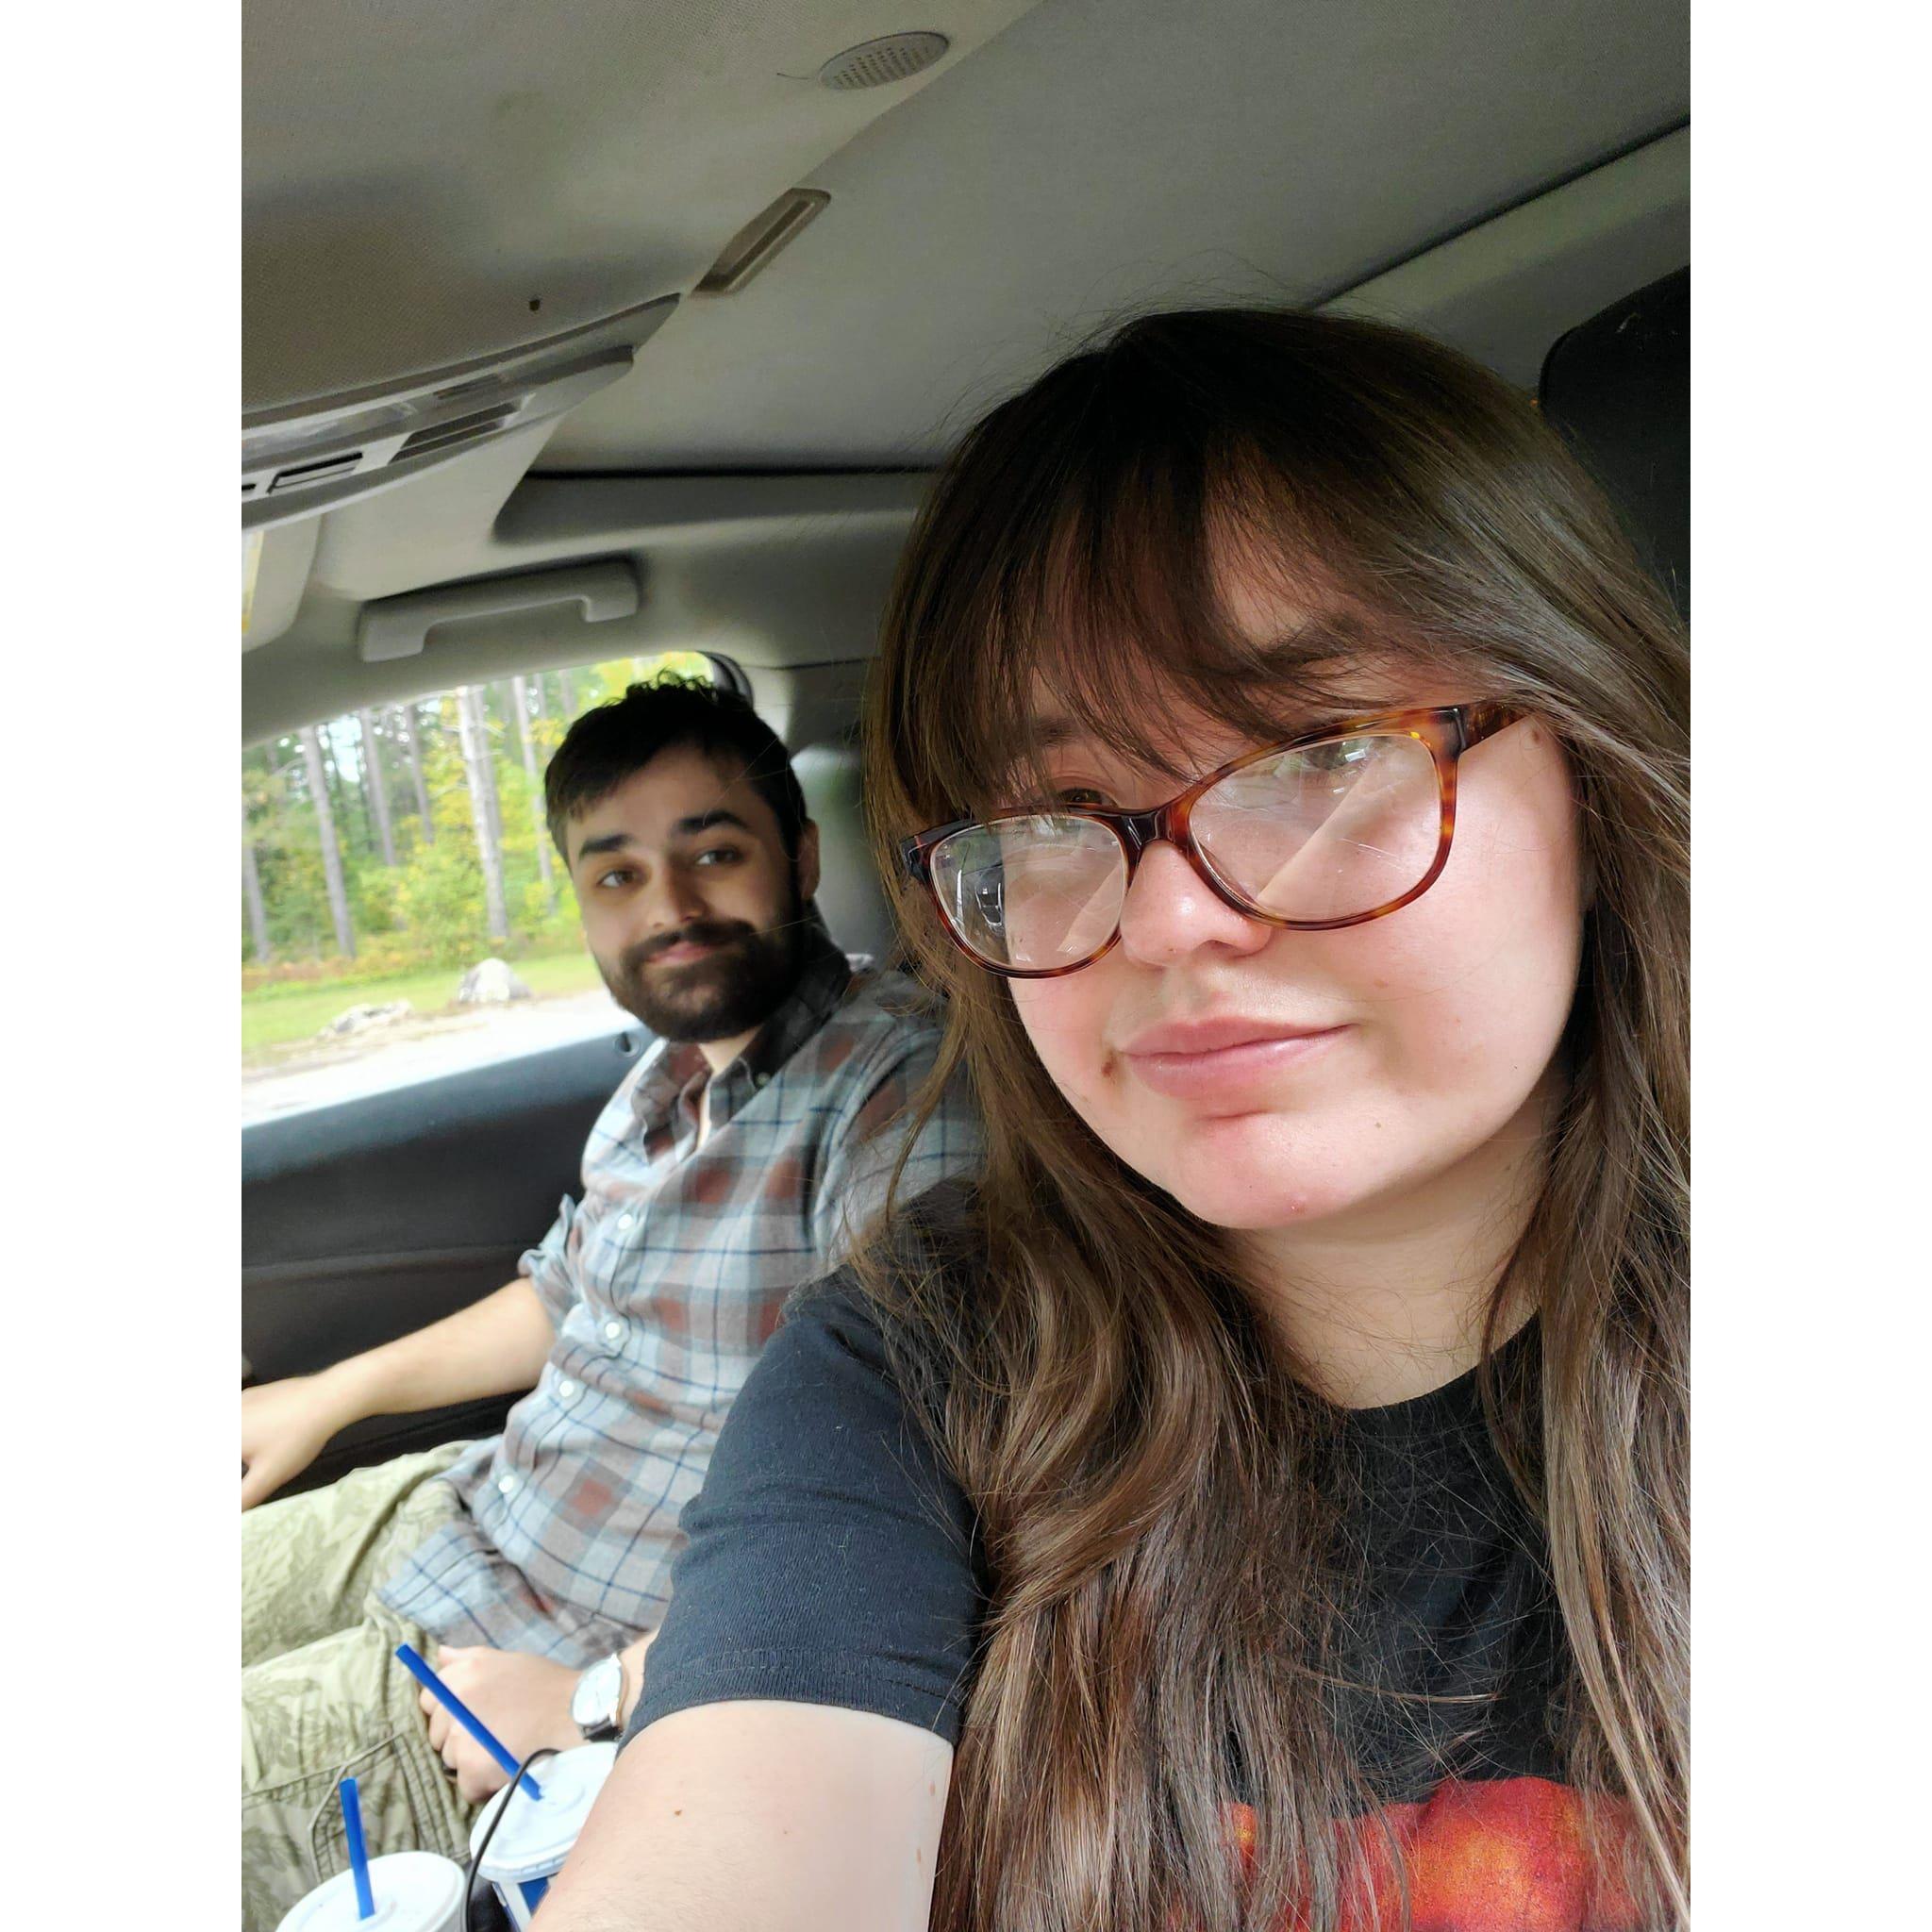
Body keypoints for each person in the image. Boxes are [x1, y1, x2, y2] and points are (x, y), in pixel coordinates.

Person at [541, 308, 1689, 1932]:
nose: (1168, 920)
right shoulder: (918, 1369)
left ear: (1595, 764)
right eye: (1050, 818)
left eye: (1317, 757)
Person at [239, 678, 980, 1932]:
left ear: (801, 859)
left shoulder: (901, 1096)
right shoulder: (664, 1079)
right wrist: (327, 1396)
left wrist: (597, 1698)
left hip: (528, 1664)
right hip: (465, 1505)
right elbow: (560, 1292)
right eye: (619, 874)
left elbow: (923, 1483)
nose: (671, 907)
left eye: (714, 853)